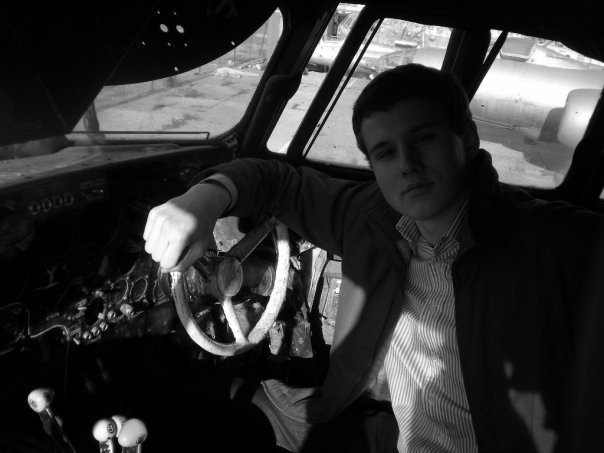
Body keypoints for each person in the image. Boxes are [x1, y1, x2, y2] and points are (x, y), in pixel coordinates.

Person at [143, 64, 604, 452]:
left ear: (467, 137)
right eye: (385, 153)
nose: (407, 165)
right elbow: (277, 182)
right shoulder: (373, 217)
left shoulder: (554, 242)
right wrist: (203, 200)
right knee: (234, 405)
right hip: (401, 432)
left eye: (423, 139)